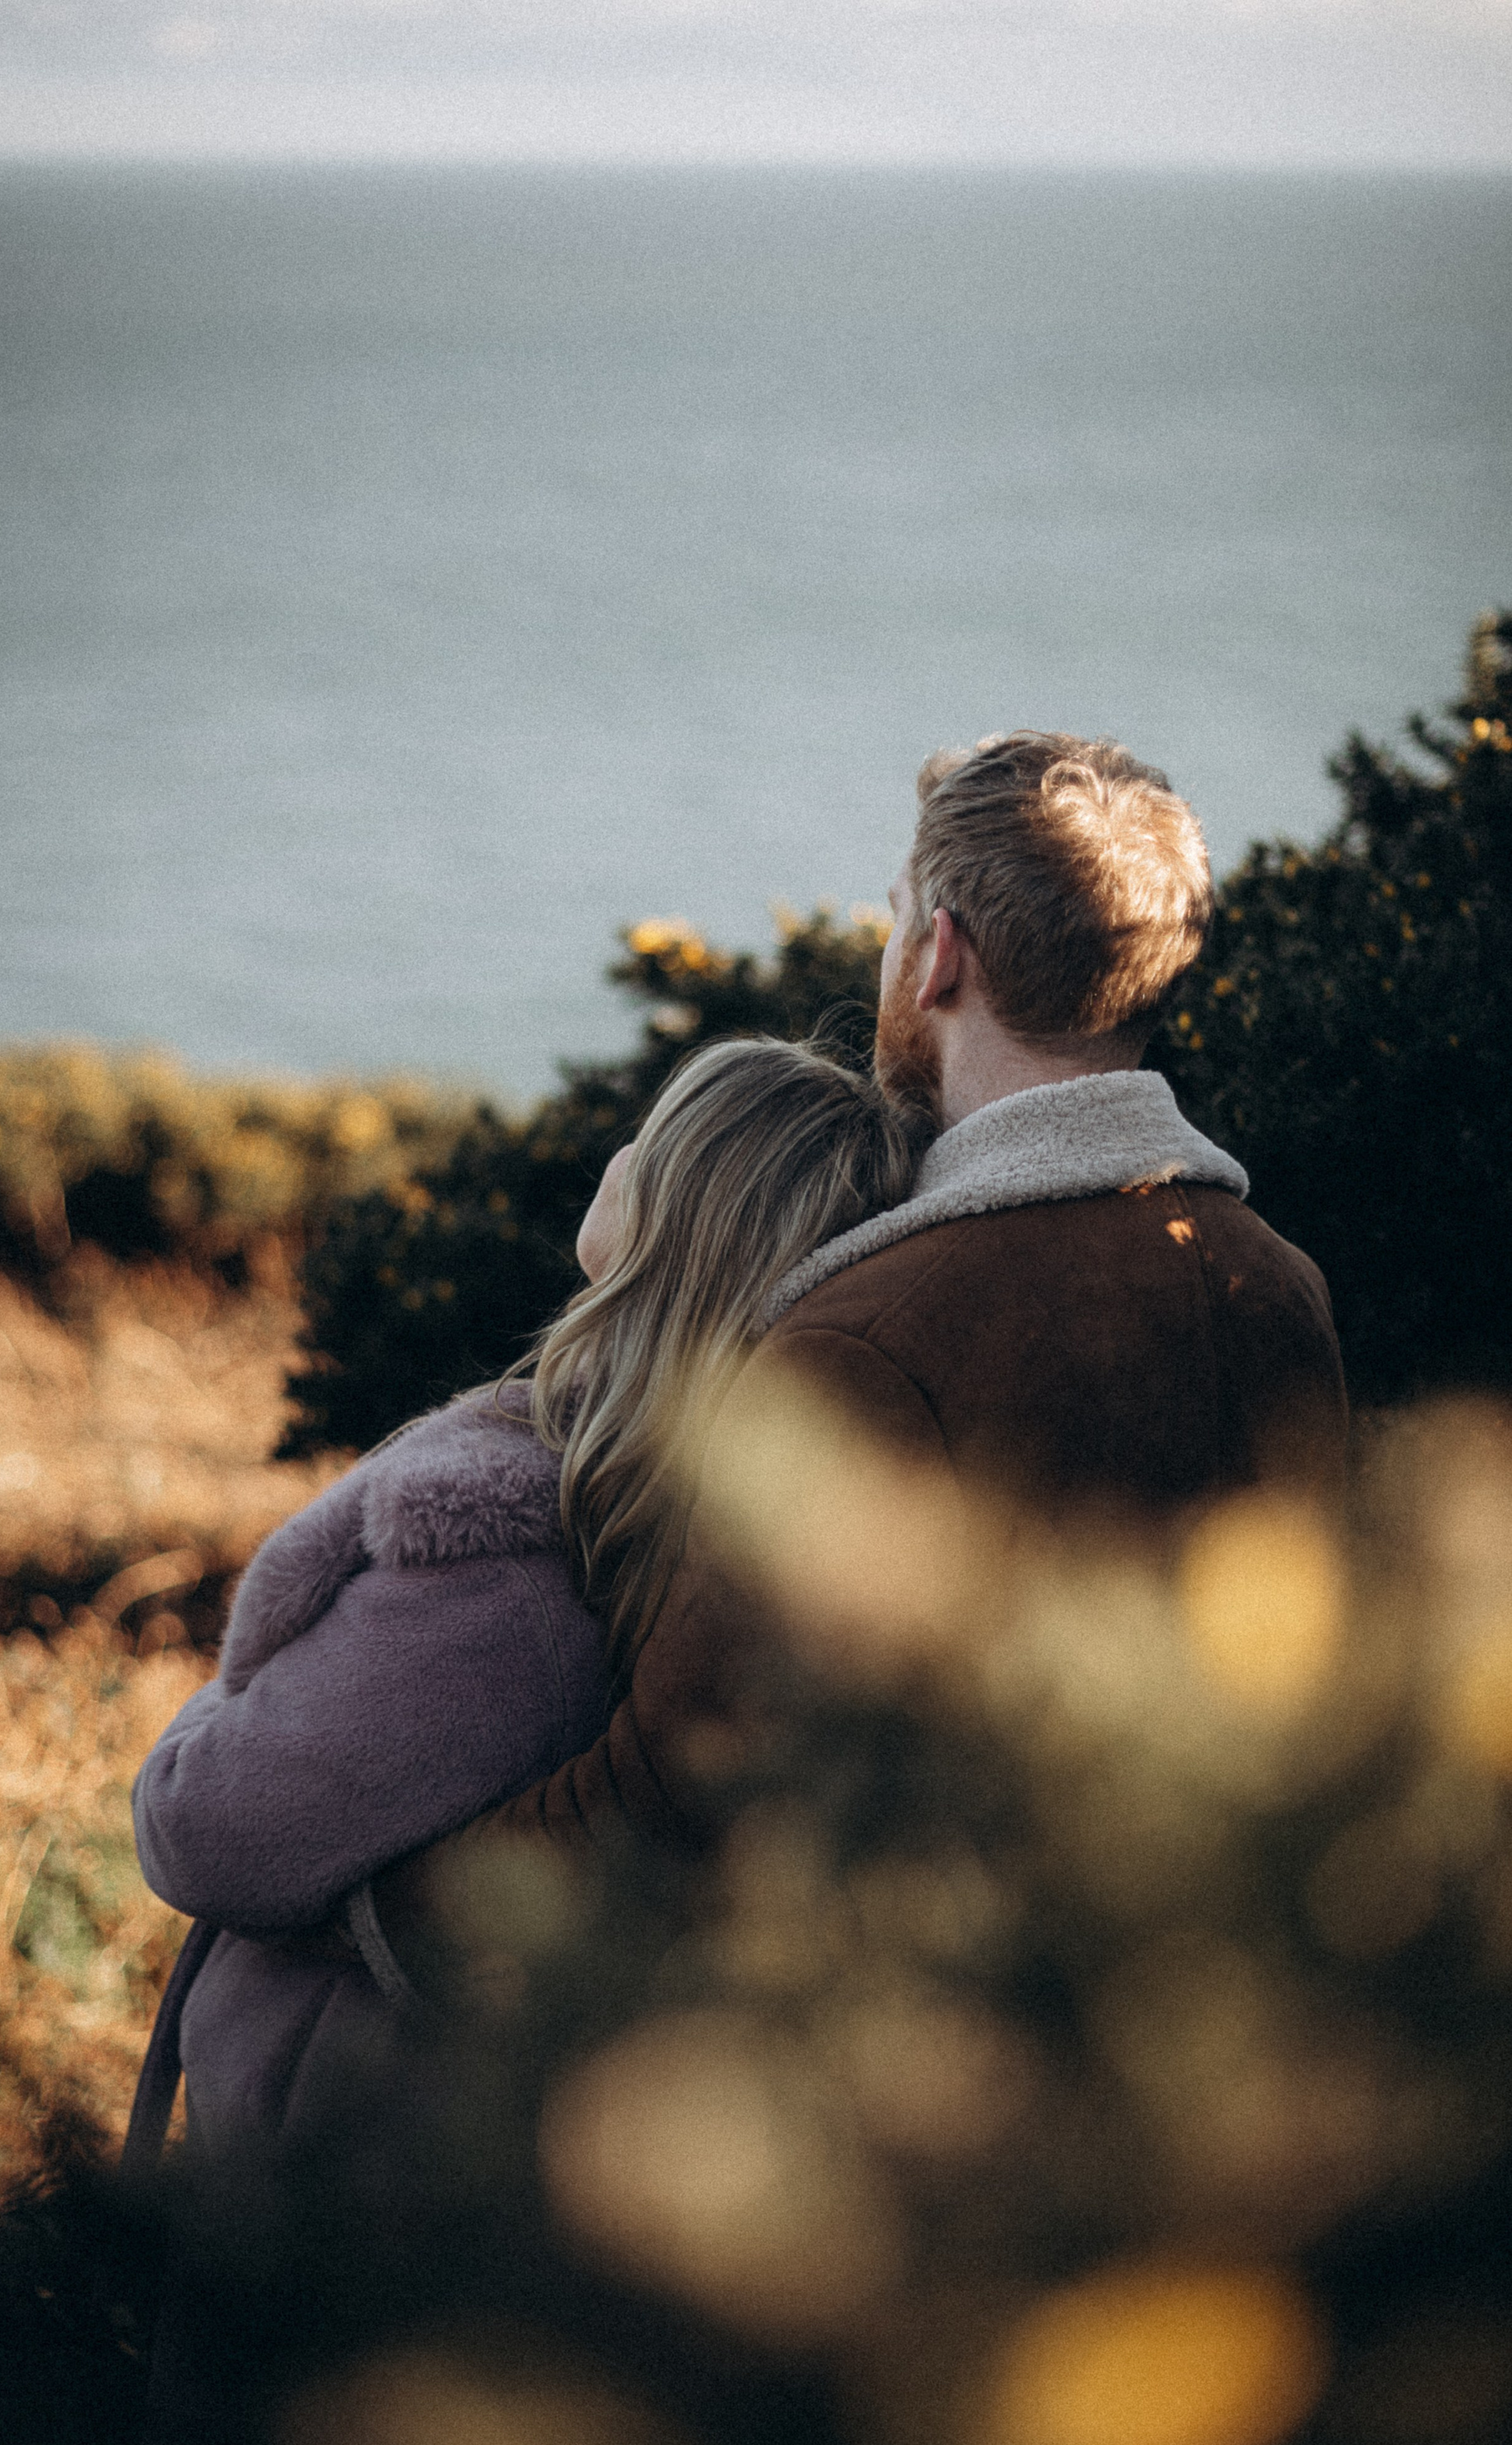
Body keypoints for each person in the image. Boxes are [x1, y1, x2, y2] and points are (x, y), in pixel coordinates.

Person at [371, 729, 1349, 1895]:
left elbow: (672, 1790)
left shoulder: (863, 1336)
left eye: (895, 918)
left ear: (941, 957)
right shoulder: (1284, 1288)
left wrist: (375, 1914)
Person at [129, 1034, 922, 2164]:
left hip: (330, 2155)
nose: (618, 1151)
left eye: (652, 1138)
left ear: (675, 1223)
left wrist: (210, 1720)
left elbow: (206, 1827)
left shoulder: (507, 1583)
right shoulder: (671, 1530)